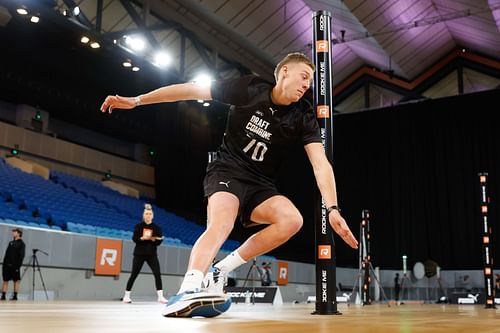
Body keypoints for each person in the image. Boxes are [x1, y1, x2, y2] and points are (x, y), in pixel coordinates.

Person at [101, 52, 358, 317]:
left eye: (311, 80)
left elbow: (320, 164)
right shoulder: (249, 88)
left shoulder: (303, 116)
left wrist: (333, 208)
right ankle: (188, 289)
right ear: (284, 73)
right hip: (227, 170)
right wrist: (137, 100)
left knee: (292, 220)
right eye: (304, 77)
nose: (307, 85)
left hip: (260, 184)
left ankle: (220, 270)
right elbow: (188, 90)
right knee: (222, 223)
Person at [122, 204, 168, 304]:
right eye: (146, 214)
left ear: (152, 216)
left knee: (157, 274)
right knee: (134, 274)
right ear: (144, 215)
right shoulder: (138, 226)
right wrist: (141, 238)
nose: (148, 215)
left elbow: (159, 242)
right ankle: (126, 296)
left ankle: (160, 297)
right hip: (139, 254)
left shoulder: (157, 228)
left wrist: (153, 239)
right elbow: (134, 239)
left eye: (150, 214)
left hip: (152, 254)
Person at [1, 228, 25, 301]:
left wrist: (18, 266)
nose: (13, 233)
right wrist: (4, 263)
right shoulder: (10, 242)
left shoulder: (22, 244)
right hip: (6, 265)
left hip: (15, 265)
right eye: (13, 232)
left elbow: (21, 255)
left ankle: (15, 296)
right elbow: (7, 253)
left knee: (16, 280)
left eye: (14, 232)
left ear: (19, 233)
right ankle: (3, 296)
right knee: (5, 280)